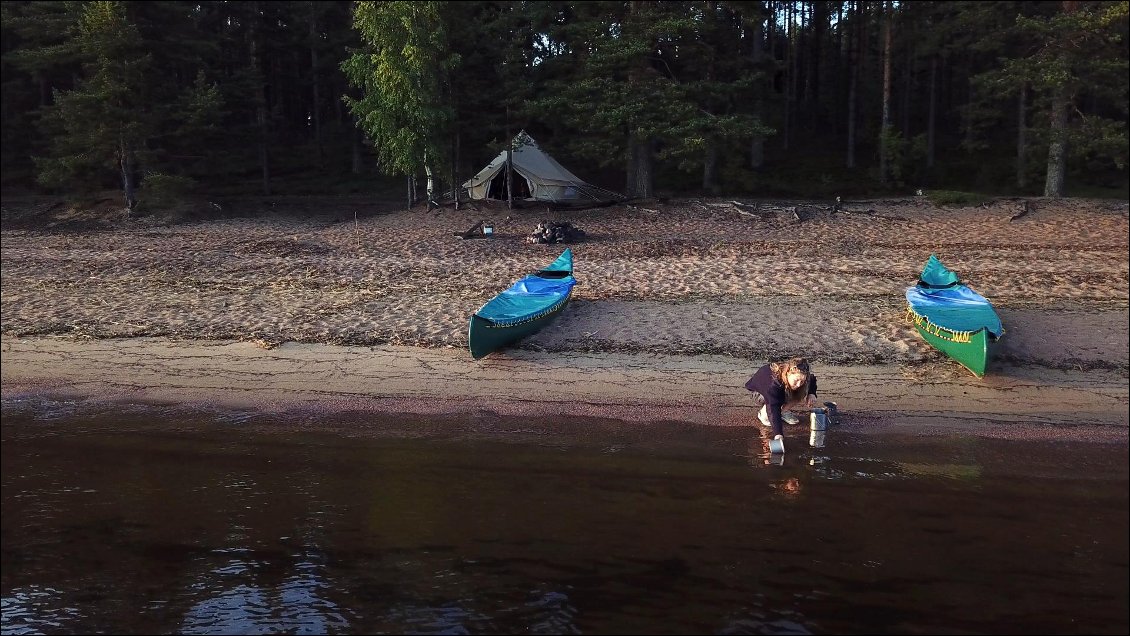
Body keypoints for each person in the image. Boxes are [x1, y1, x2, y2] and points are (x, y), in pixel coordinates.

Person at [745, 357, 818, 446]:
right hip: (759, 393)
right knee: (768, 418)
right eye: (796, 380)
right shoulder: (773, 385)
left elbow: (812, 379)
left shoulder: (802, 375)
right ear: (788, 373)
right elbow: (773, 407)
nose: (799, 384)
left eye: (801, 381)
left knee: (802, 390)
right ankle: (762, 413)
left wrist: (811, 393)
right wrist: (778, 434)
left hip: (782, 389)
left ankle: (783, 411)